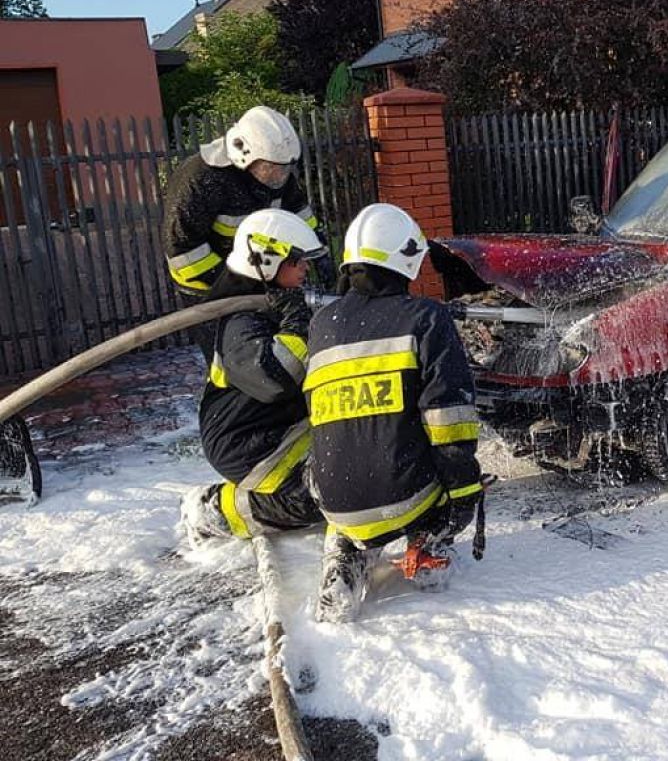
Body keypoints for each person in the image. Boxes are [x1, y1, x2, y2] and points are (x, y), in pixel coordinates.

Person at [303, 203, 485, 623]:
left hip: (334, 499)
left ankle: (344, 556)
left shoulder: (322, 324)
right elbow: (449, 418)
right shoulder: (426, 318)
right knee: (432, 480)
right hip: (406, 496)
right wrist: (463, 493)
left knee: (352, 484)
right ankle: (428, 544)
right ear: (406, 259)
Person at [179, 208, 328, 544]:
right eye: (297, 261)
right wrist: (297, 323)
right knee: (318, 498)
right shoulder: (240, 322)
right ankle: (215, 510)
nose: (305, 268)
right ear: (267, 260)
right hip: (247, 443)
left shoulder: (273, 305)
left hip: (281, 427)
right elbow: (275, 380)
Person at [162, 107, 333, 347]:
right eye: (270, 168)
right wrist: (240, 283)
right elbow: (183, 251)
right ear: (243, 155)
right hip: (207, 286)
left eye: (285, 169)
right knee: (230, 351)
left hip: (259, 276)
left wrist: (319, 252)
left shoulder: (274, 171)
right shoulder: (200, 179)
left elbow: (298, 212)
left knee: (268, 347)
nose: (279, 176)